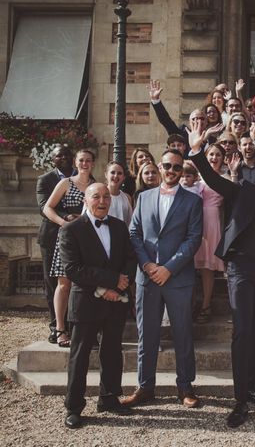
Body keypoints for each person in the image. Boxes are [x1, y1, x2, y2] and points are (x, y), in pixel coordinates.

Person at [188, 123, 255, 428]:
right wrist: (196, 151)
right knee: (242, 330)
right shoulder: (244, 191)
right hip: (241, 267)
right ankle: (239, 400)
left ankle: (251, 387)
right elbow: (214, 181)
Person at [124, 149, 203, 409]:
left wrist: (168, 268)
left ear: (182, 172)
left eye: (177, 168)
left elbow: (193, 239)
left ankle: (185, 387)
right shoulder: (143, 197)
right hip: (147, 278)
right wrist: (147, 264)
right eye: (167, 165)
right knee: (147, 334)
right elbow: (134, 233)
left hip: (178, 278)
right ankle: (145, 387)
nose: (171, 171)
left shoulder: (192, 201)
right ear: (159, 166)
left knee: (183, 333)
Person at [59, 183, 137, 429]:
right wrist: (110, 282)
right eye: (96, 196)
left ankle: (109, 398)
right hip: (86, 303)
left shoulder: (118, 226)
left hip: (116, 303)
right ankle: (73, 407)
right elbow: (73, 269)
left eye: (106, 197)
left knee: (112, 352)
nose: (102, 201)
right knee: (80, 356)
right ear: (85, 199)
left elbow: (129, 258)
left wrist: (120, 287)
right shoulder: (71, 229)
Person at [43, 149, 96, 348]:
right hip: (68, 238)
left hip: (89, 240)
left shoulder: (95, 184)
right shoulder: (66, 183)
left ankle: (83, 328)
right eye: (81, 160)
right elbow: (48, 207)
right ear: (76, 162)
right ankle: (60, 328)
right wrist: (63, 222)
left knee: (86, 285)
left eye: (88, 160)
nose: (84, 164)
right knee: (64, 284)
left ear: (93, 163)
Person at [36, 145, 74, 343]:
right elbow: (43, 207)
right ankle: (56, 326)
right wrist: (66, 217)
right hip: (52, 237)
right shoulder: (46, 180)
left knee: (74, 282)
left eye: (68, 154)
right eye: (60, 155)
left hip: (76, 238)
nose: (65, 157)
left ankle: (73, 324)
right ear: (53, 159)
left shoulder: (81, 176)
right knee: (54, 284)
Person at [193, 143, 226, 324]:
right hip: (194, 221)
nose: (214, 158)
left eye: (217, 155)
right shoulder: (196, 178)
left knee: (207, 267)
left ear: (222, 159)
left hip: (212, 221)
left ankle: (206, 304)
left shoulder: (225, 177)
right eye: (211, 154)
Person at [105, 161, 133, 226]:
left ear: (124, 177)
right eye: (112, 172)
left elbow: (130, 221)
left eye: (119, 173)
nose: (116, 176)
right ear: (106, 175)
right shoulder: (98, 195)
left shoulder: (127, 197)